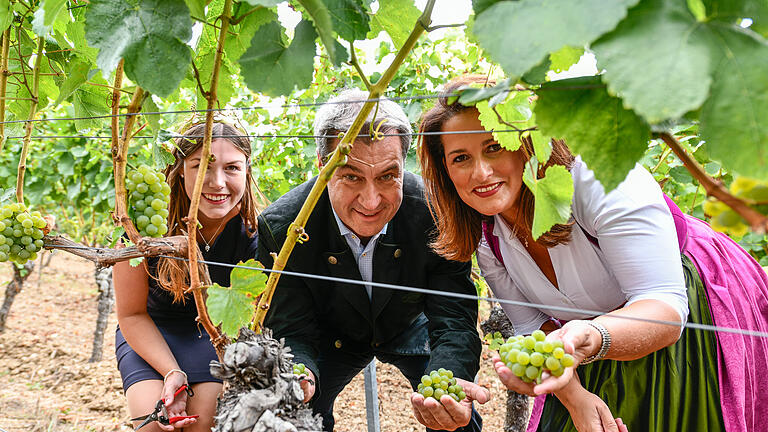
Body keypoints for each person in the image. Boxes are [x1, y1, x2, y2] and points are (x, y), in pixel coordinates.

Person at [418, 76, 768, 432]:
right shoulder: (484, 233)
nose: (481, 172)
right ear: (445, 171)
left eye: (494, 147)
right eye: (460, 158)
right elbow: (529, 328)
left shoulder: (600, 178)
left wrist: (592, 337)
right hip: (587, 340)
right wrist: (575, 398)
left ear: (526, 143)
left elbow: (664, 305)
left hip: (686, 308)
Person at [258, 89, 489, 432]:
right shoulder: (284, 227)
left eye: (387, 176)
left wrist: (451, 377)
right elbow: (292, 326)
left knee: (453, 417)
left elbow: (453, 314)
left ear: (403, 165)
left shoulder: (435, 210)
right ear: (322, 166)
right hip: (330, 333)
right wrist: (301, 370)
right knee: (297, 416)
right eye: (351, 176)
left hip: (410, 323)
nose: (371, 200)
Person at [113, 121, 259, 431]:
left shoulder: (258, 235)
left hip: (217, 338)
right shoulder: (142, 227)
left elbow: (250, 320)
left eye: (232, 167)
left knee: (203, 422)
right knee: (152, 424)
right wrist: (171, 373)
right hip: (150, 333)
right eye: (201, 165)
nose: (217, 182)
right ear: (180, 169)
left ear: (247, 170)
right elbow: (132, 314)